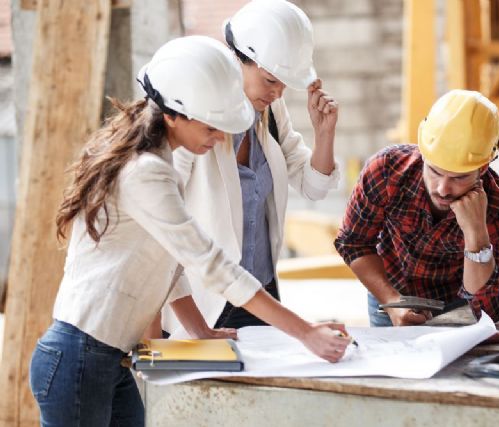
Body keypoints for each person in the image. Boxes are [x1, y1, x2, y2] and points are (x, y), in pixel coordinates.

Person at [29, 36, 349, 427]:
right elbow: (209, 262)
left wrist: (199, 331)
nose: (219, 139)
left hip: (104, 356)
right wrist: (306, 332)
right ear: (173, 115)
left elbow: (173, 262)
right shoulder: (146, 174)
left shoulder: (161, 163)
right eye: (213, 127)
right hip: (79, 357)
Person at [160, 0, 340, 335]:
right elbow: (164, 228)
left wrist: (324, 133)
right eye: (271, 80)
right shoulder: (193, 121)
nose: (278, 92)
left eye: (284, 83)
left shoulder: (271, 111)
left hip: (262, 296)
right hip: (205, 307)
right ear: (237, 60)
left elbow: (313, 187)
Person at [334, 89, 499, 327]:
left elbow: (488, 310)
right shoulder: (387, 170)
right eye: (434, 171)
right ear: (423, 152)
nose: (443, 188)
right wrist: (392, 302)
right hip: (389, 293)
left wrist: (476, 233)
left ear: (483, 167)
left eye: (459, 177)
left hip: (458, 308)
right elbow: (353, 243)